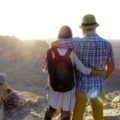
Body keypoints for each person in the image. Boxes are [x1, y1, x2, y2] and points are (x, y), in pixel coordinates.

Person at [52, 14, 115, 120]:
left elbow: (54, 44)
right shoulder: (107, 44)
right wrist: (103, 77)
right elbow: (111, 67)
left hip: (81, 87)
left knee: (78, 115)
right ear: (95, 27)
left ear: (83, 29)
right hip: (98, 87)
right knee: (98, 115)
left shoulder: (77, 42)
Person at [43, 25, 106, 120]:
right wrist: (99, 72)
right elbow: (83, 69)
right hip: (69, 88)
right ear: (70, 37)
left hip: (53, 86)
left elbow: (48, 69)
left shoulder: (50, 51)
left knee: (51, 109)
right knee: (65, 113)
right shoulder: (71, 52)